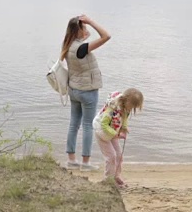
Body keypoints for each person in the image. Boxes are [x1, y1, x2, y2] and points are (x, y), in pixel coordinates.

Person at [60, 14, 111, 171]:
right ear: (78, 31)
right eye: (85, 28)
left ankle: (71, 160)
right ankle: (86, 163)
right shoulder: (82, 48)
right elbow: (106, 36)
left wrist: (84, 30)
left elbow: (81, 42)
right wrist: (91, 21)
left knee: (74, 124)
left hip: (73, 90)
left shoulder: (68, 45)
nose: (87, 31)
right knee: (88, 125)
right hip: (87, 91)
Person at [93, 88, 144, 187]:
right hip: (101, 131)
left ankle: (116, 175)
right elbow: (103, 124)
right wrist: (115, 134)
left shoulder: (125, 107)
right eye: (132, 106)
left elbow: (124, 117)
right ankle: (108, 180)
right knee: (111, 156)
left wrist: (124, 128)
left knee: (119, 155)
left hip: (112, 131)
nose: (131, 109)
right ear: (126, 100)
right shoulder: (112, 108)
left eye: (134, 107)